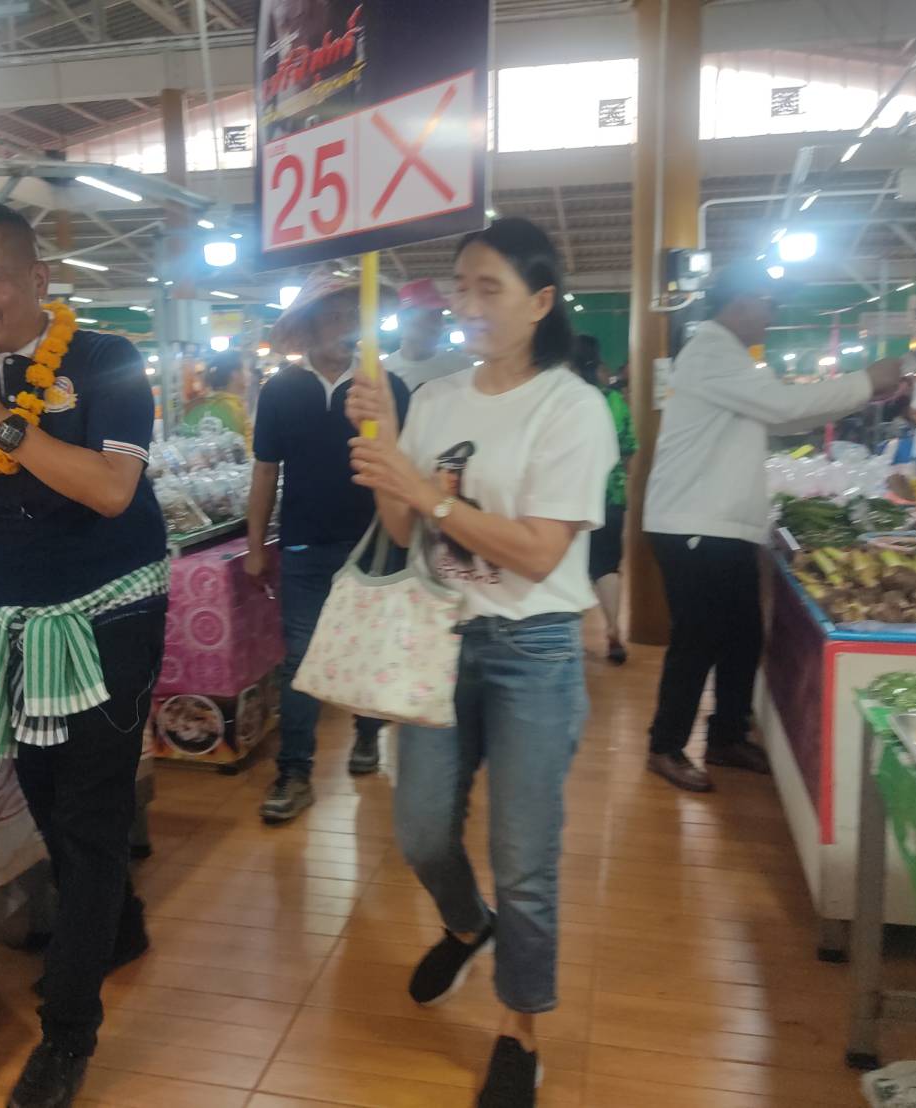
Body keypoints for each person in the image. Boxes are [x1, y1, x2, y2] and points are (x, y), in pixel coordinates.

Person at [0, 200, 167, 1108]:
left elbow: (112, 490)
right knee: (47, 798)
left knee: (88, 819)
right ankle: (116, 922)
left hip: (109, 614)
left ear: (37, 279)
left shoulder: (106, 360)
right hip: (11, 619)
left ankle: (66, 1034)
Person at [347, 218, 614, 1108]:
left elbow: (538, 552)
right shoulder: (434, 398)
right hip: (439, 635)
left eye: (488, 287)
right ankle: (468, 926)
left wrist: (427, 495)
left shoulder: (571, 407)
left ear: (540, 303)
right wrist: (389, 455)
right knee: (420, 830)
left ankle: (518, 1027)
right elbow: (404, 533)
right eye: (460, 286)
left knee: (523, 855)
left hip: (532, 649)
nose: (466, 303)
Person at [642, 262, 904, 793]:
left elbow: (784, 416)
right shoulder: (712, 351)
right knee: (698, 640)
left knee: (742, 635)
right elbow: (783, 405)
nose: (771, 314)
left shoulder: (731, 357)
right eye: (767, 303)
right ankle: (665, 745)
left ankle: (726, 736)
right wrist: (865, 380)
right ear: (739, 302)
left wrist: (861, 394)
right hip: (695, 522)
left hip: (721, 525)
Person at [246, 271, 411, 824]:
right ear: (310, 326)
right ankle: (294, 772)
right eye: (332, 316)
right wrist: (255, 544)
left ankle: (367, 733)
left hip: (373, 543)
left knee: (368, 648)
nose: (342, 325)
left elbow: (404, 466)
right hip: (303, 546)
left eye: (350, 315)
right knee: (301, 659)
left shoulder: (386, 388)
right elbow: (265, 471)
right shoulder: (279, 391)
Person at [571, 335, 635, 665]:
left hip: (567, 497)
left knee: (569, 565)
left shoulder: (563, 400)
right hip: (609, 495)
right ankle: (613, 631)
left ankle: (569, 637)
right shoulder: (612, 400)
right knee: (607, 566)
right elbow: (628, 447)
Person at [385, 278, 473, 391]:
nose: (439, 322)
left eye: (439, 314)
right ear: (403, 319)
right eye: (430, 314)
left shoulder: (460, 366)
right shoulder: (384, 372)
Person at [182, 350, 251, 441]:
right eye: (246, 369)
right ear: (234, 374)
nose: (249, 374)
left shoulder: (199, 405)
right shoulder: (233, 409)